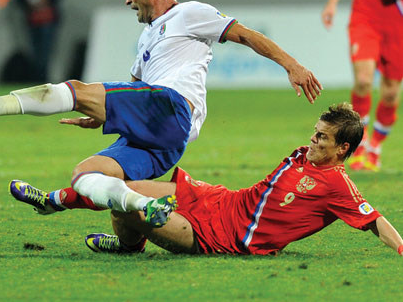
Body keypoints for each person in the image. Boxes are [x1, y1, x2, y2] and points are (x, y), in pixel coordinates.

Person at [0, 0, 322, 226]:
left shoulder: (190, 13)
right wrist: (100, 114)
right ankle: (130, 223)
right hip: (162, 136)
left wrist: (291, 65)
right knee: (87, 176)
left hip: (170, 108)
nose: (128, 1)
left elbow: (246, 35)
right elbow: (132, 88)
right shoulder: (147, 38)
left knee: (74, 89)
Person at [78, 103, 403, 256]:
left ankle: (127, 245)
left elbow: (374, 220)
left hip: (220, 236)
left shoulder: (337, 185)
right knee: (122, 190)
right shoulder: (303, 154)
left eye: (322, 138)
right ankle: (127, 243)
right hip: (218, 199)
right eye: (315, 132)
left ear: (343, 148)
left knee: (124, 208)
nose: (313, 140)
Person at [321, 0, 403, 171]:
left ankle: (375, 146)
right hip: (364, 18)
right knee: (364, 80)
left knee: (390, 94)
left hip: (398, 20)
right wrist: (332, 3)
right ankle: (362, 140)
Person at [17, 0, 62, 82]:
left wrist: (48, 1)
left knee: (45, 53)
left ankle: (44, 79)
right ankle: (37, 79)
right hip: (33, 21)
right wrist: (28, 6)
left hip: (47, 20)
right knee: (36, 53)